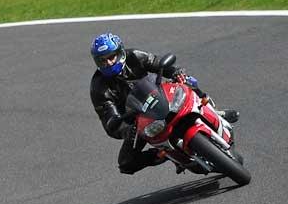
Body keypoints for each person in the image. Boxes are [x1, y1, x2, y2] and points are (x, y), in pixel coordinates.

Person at [89, 32, 239, 175]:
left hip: (161, 95)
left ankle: (211, 109)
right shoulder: (98, 87)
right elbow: (109, 120)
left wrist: (175, 72)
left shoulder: (134, 56)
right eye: (102, 60)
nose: (108, 63)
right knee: (126, 163)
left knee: (187, 80)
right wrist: (127, 129)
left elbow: (157, 63)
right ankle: (165, 153)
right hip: (138, 120)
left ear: (120, 53)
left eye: (111, 57)